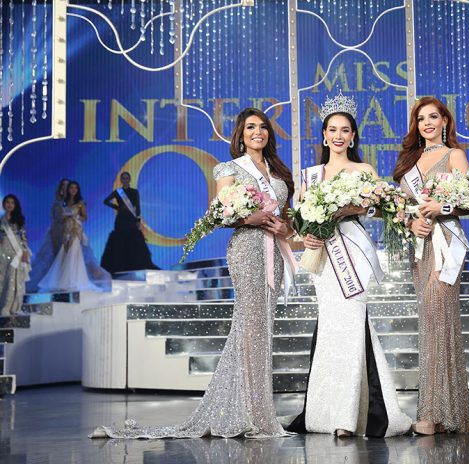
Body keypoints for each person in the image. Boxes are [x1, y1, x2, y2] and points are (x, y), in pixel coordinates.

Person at [90, 107, 297, 439]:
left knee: (261, 328)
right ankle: (257, 413)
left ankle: (254, 409)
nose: (257, 132)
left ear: (269, 134)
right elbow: (220, 213)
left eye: (262, 127)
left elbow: (287, 217)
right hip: (246, 250)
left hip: (274, 252)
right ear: (240, 135)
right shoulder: (230, 168)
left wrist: (285, 228)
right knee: (251, 327)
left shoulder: (279, 171)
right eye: (250, 127)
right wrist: (250, 218)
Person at [286, 92, 412, 438]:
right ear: (324, 136)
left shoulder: (364, 170)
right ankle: (329, 413)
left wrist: (351, 208)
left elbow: (380, 208)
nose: (338, 135)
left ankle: (349, 415)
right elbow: (297, 224)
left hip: (352, 254)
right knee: (331, 327)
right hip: (325, 260)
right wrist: (306, 237)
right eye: (332, 129)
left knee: (353, 323)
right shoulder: (310, 176)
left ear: (353, 136)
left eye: (345, 130)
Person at [393, 96, 469, 435]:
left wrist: (441, 208)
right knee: (430, 322)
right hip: (420, 246)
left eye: (433, 117)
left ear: (444, 121)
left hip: (446, 244)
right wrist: (411, 222)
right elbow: (399, 209)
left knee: (440, 315)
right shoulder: (409, 161)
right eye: (421, 118)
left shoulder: (454, 155)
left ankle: (433, 413)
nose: (427, 123)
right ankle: (441, 412)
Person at [37, 181, 111, 293]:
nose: (73, 190)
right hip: (65, 231)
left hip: (75, 231)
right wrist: (63, 216)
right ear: (68, 189)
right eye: (71, 188)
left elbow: (85, 217)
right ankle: (63, 281)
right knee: (64, 254)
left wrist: (75, 216)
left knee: (73, 254)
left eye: (75, 188)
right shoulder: (64, 203)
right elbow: (58, 217)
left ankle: (73, 281)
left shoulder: (81, 203)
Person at [100, 171, 158, 274]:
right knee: (120, 241)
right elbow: (105, 201)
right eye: (123, 178)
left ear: (130, 179)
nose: (125, 180)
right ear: (121, 180)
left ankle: (134, 264)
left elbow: (137, 206)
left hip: (131, 219)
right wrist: (118, 207)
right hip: (121, 219)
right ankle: (119, 265)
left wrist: (138, 219)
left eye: (127, 178)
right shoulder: (118, 192)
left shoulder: (134, 192)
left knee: (133, 240)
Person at [27, 178, 69, 291]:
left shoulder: (74, 202)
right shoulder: (57, 202)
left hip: (71, 233)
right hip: (57, 232)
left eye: (68, 185)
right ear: (61, 188)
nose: (66, 188)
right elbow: (55, 219)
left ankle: (66, 282)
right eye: (63, 185)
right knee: (53, 258)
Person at [0, 195, 31, 316]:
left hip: (16, 250)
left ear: (15, 205)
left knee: (13, 278)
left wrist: (25, 251)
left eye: (12, 203)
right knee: (4, 278)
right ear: (4, 204)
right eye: (7, 202)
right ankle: (2, 305)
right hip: (3, 251)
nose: (9, 205)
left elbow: (23, 236)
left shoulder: (19, 218)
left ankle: (10, 307)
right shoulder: (1, 219)